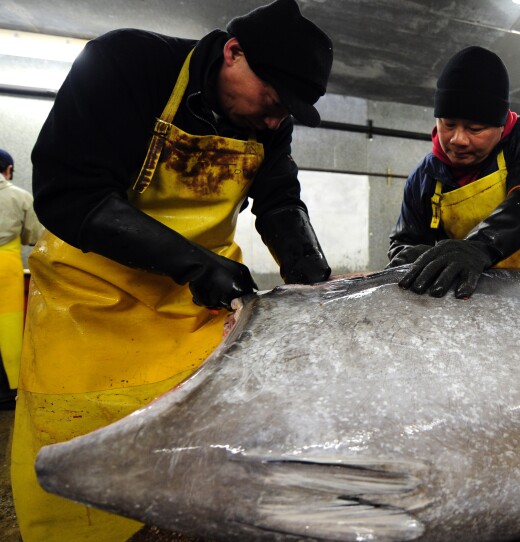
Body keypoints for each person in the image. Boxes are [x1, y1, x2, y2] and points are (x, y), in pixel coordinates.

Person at [11, 1, 333, 539]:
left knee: (215, 439)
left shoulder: (267, 122)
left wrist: (313, 277)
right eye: (273, 100)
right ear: (233, 53)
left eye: (287, 112)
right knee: (83, 441)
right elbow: (70, 195)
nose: (276, 119)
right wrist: (192, 262)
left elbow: (278, 200)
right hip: (90, 298)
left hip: (198, 304)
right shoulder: (126, 64)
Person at [388, 46, 520, 298]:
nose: (457, 139)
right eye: (448, 124)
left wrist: (479, 247)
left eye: (475, 129)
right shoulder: (425, 176)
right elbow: (403, 242)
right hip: (474, 301)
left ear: (501, 124)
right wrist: (420, 255)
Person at [0, 149, 44, 407]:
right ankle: (9, 392)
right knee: (8, 329)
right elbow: (33, 237)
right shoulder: (20, 197)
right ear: (8, 169)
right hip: (6, 266)